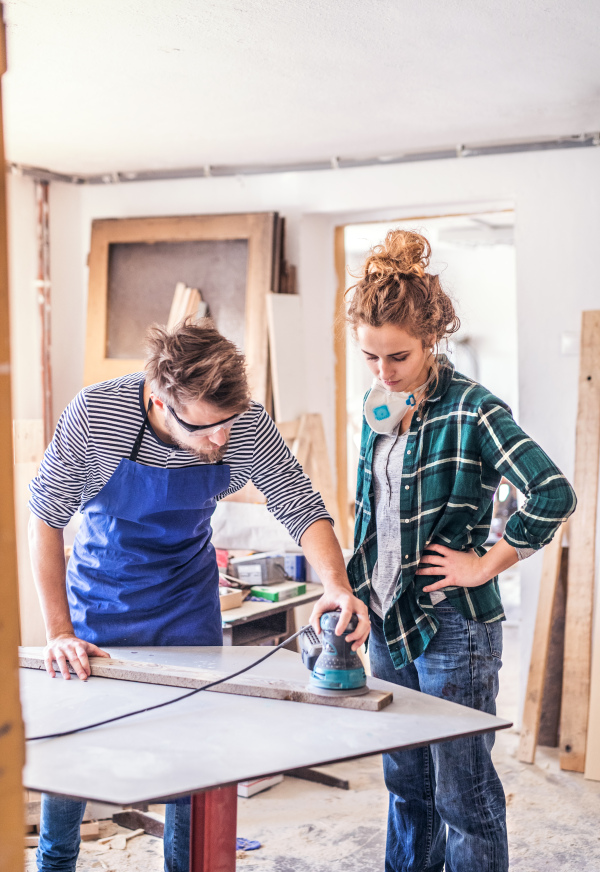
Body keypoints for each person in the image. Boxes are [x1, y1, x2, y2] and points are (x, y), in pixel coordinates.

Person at [29, 319, 370, 872]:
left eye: (231, 424)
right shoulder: (97, 416)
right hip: (101, 603)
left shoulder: (243, 424)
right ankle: (55, 862)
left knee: (193, 759)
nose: (224, 441)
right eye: (209, 429)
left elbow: (300, 504)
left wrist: (336, 584)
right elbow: (45, 521)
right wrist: (59, 633)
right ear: (162, 404)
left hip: (188, 604)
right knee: (72, 755)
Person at [313, 229, 576, 872]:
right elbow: (373, 520)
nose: (383, 372)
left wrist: (486, 562)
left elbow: (553, 492)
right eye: (370, 358)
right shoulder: (378, 409)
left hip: (454, 624)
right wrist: (352, 592)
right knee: (407, 786)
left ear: (432, 340)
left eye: (397, 356)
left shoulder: (474, 409)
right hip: (388, 620)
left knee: (462, 789)